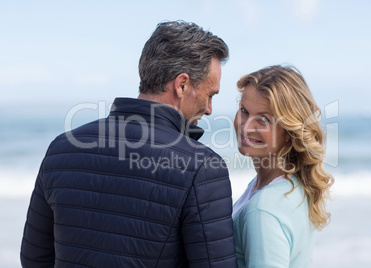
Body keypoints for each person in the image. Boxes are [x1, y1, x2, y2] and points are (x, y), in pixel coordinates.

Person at [20, 21, 238, 267]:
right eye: (210, 95)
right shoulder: (202, 167)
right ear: (182, 85)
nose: (210, 109)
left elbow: (34, 258)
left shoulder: (61, 148)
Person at [232, 65, 334, 267]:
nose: (246, 126)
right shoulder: (287, 186)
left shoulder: (263, 209)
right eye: (244, 111)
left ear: (289, 131)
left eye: (263, 119)